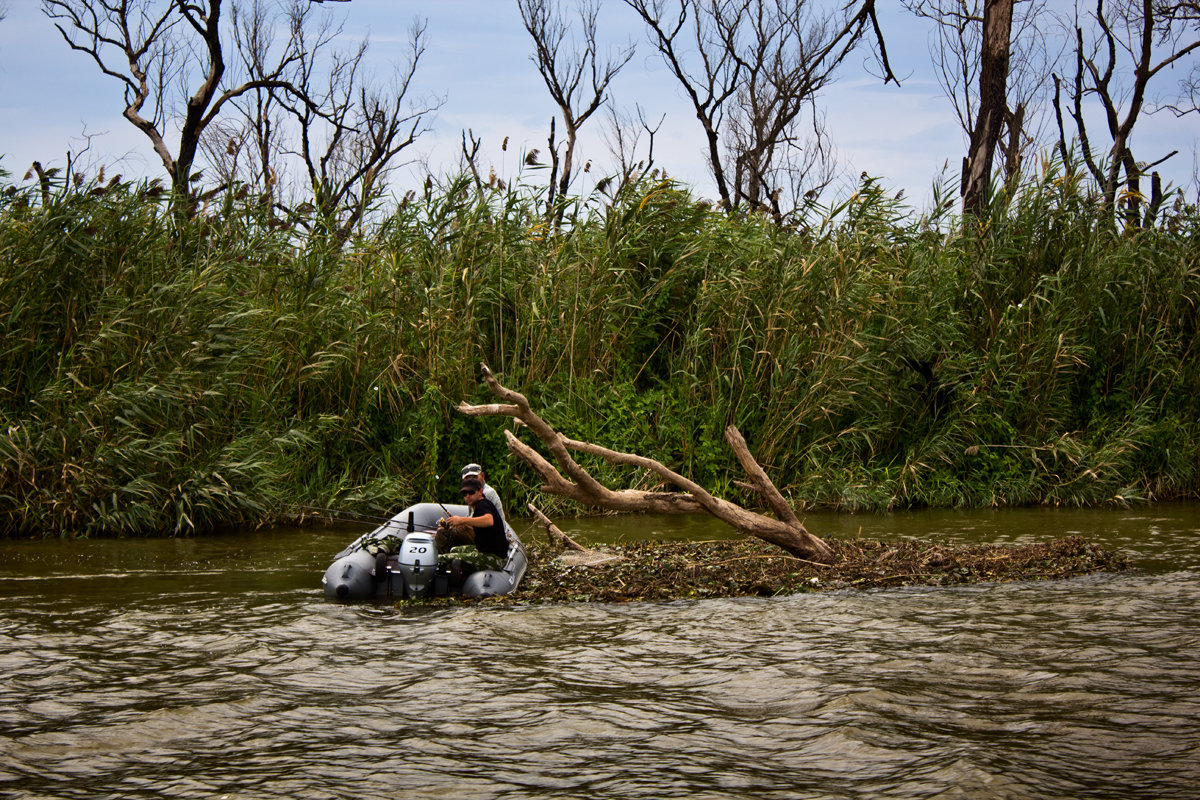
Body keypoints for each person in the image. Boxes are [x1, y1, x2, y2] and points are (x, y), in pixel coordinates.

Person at [436, 476, 509, 574]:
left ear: (480, 491)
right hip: (485, 550)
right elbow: (479, 537)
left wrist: (462, 520)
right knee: (454, 550)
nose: (467, 496)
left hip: (495, 558)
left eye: (471, 492)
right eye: (464, 493)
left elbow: (489, 520)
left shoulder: (482, 505)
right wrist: (466, 528)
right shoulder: (477, 510)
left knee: (441, 559)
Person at [461, 462, 507, 532]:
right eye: (467, 479)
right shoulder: (470, 493)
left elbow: (488, 521)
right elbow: (471, 516)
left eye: (475, 477)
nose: (471, 482)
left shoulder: (487, 493)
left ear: (482, 476)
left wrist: (462, 521)